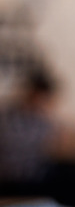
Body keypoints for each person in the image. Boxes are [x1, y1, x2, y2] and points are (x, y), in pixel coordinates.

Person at [0, 68, 58, 196]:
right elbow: (13, 144)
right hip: (10, 181)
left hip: (34, 183)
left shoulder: (43, 120)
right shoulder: (8, 116)